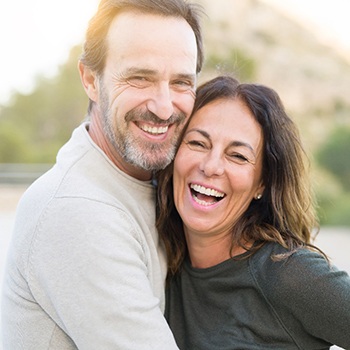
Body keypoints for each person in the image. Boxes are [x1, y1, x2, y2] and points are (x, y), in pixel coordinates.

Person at [1, 0, 204, 348]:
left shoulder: (157, 182)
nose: (164, 106)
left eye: (182, 82)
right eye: (140, 78)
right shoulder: (76, 211)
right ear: (91, 80)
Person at [157, 76, 350, 350]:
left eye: (237, 156)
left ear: (262, 183)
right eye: (198, 143)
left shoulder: (289, 274)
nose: (211, 166)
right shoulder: (155, 260)